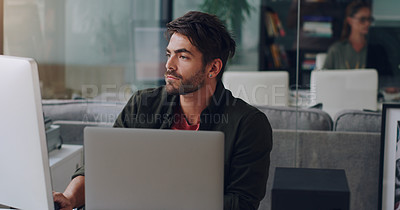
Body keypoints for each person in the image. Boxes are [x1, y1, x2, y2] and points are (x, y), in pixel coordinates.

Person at [53, 11, 273, 210]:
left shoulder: (249, 124)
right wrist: (70, 198)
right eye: (169, 54)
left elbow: (242, 203)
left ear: (213, 68)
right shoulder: (142, 104)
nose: (169, 65)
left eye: (183, 56)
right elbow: (101, 167)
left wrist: (164, 197)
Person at [323, 1, 389, 74]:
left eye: (369, 19)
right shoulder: (336, 50)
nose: (367, 23)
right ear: (350, 20)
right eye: (362, 19)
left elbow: (386, 80)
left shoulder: (377, 50)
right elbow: (323, 78)